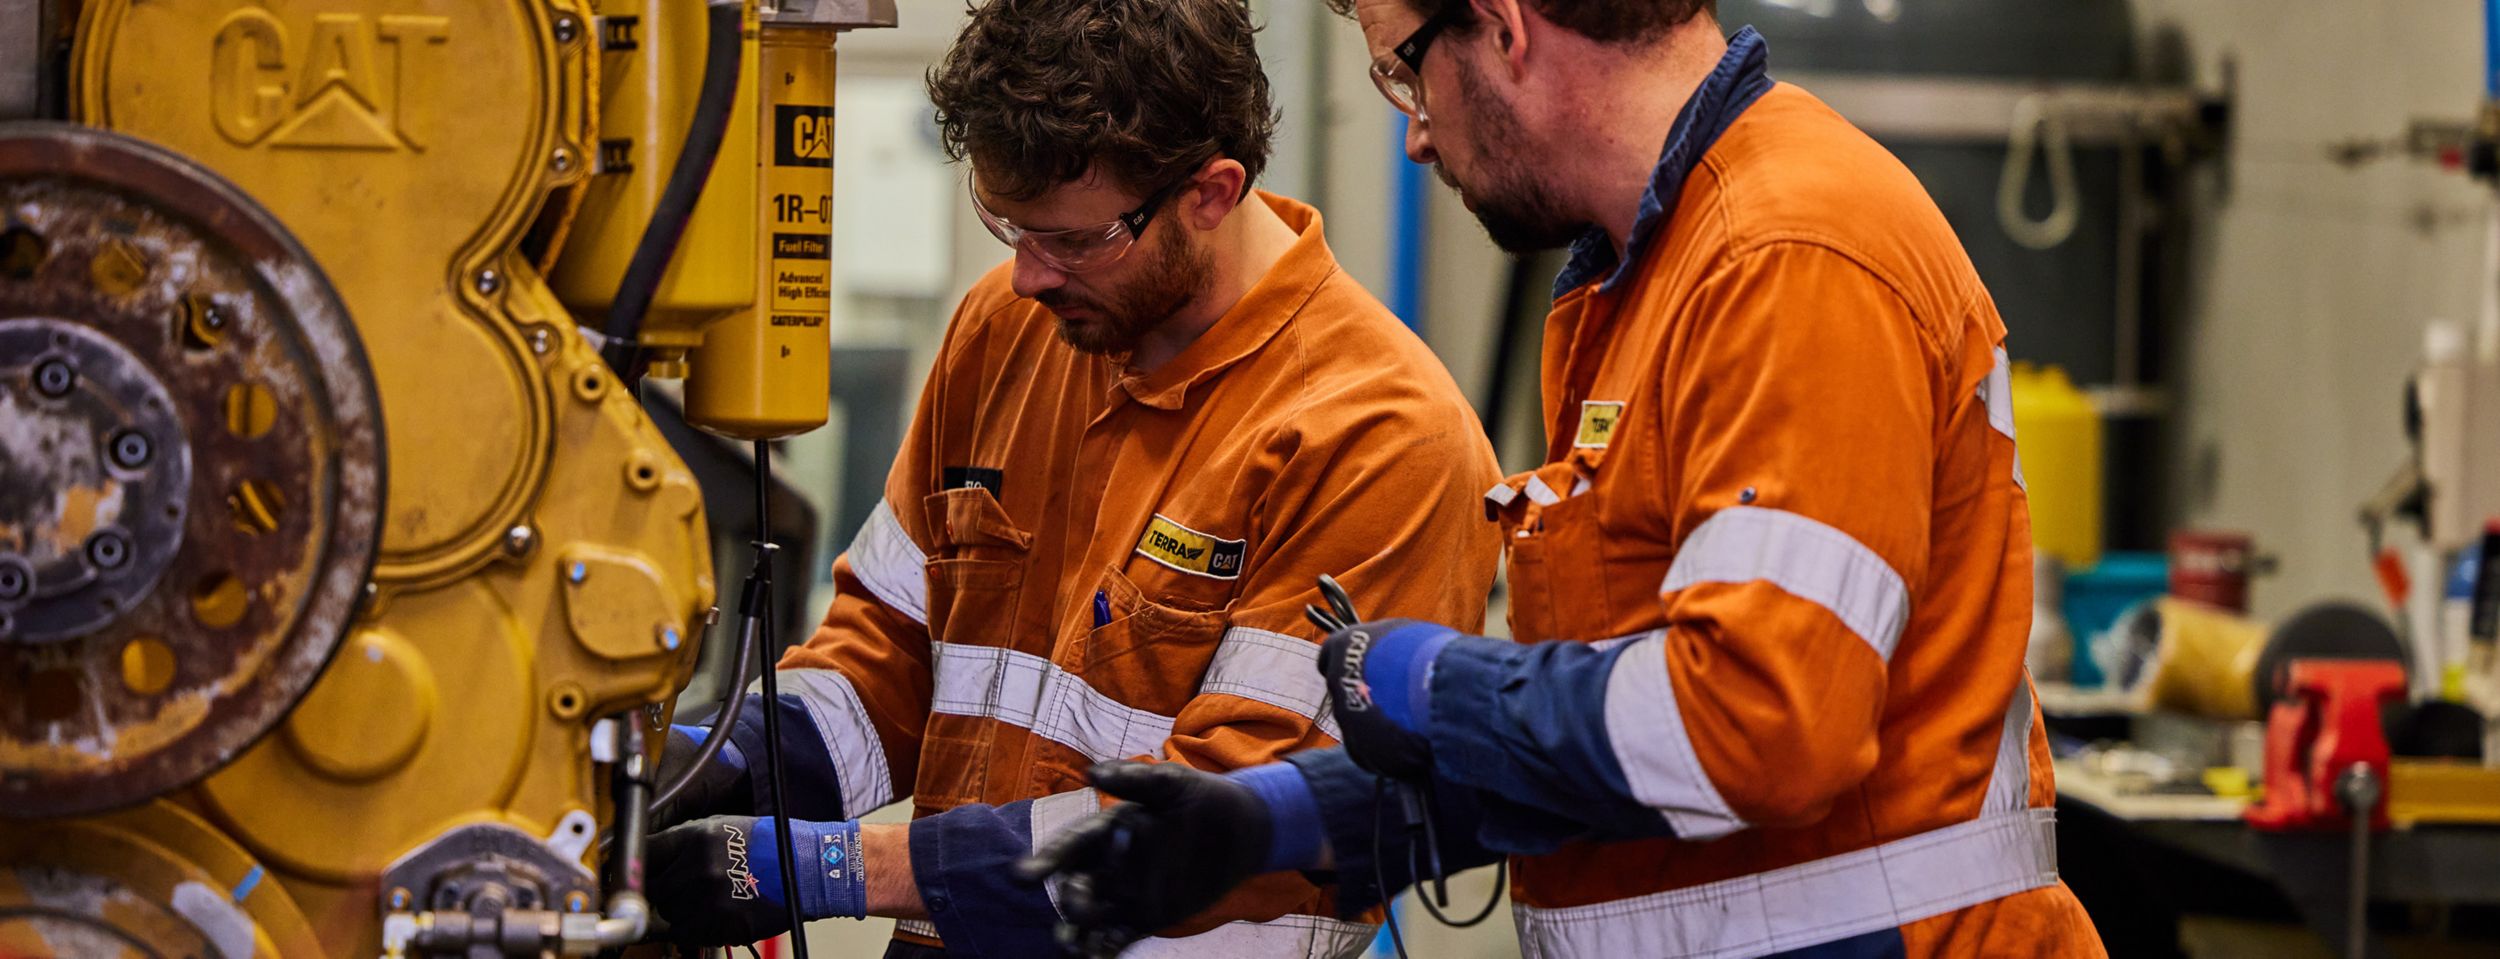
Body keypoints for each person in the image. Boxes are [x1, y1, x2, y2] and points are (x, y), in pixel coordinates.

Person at [1023, 0, 2109, 956]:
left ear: (1501, 24)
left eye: (1403, 66)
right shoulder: (1638, 279)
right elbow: (1624, 741)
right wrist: (1285, 817)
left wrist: (1427, 681)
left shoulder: (1790, 250)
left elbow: (1759, 727)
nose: (1413, 132)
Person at [637, 1, 1504, 955]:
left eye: (1070, 240)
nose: (1026, 278)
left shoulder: (1378, 438)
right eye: (1007, 225)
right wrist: (720, 761)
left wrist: (849, 868)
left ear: (1212, 193)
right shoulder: (1006, 333)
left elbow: (1229, 818)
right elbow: (886, 653)